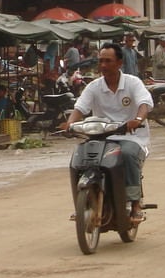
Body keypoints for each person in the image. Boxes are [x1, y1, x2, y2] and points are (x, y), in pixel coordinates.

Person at [60, 42, 153, 225]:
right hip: (100, 137)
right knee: (79, 158)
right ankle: (81, 203)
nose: (103, 65)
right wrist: (70, 124)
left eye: (108, 61)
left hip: (130, 137)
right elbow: (80, 108)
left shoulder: (133, 83)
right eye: (100, 61)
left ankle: (135, 204)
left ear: (119, 63)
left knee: (126, 154)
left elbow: (145, 104)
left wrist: (138, 120)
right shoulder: (94, 86)